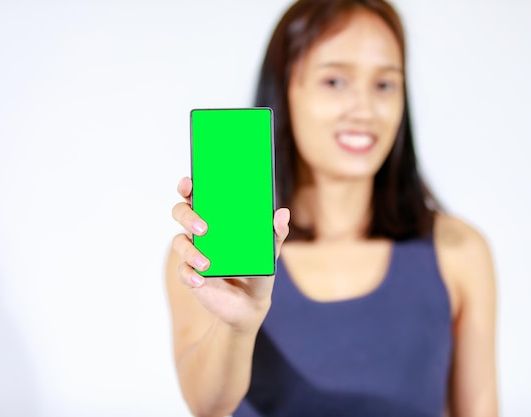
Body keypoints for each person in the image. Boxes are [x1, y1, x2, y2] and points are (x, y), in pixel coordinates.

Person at [166, 0, 498, 416]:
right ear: (286, 89)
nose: (364, 109)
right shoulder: (210, 255)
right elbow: (207, 406)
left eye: (385, 85)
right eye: (335, 82)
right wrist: (237, 324)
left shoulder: (459, 251)